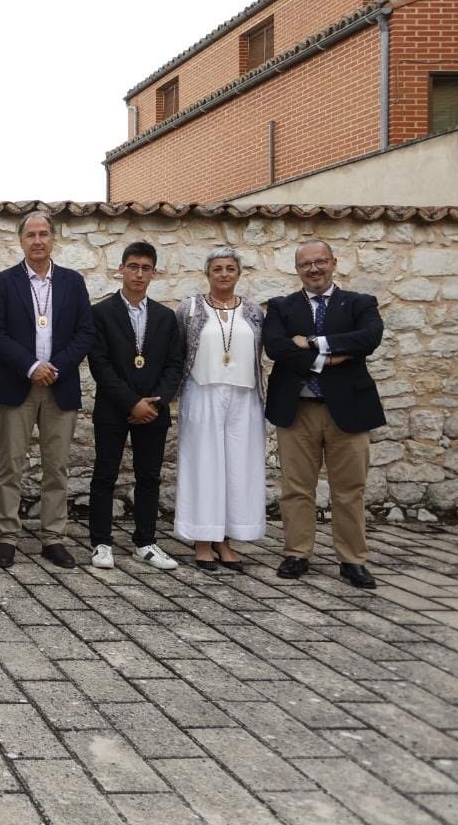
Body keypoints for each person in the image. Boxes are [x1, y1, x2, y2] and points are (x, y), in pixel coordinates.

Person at [263, 240, 386, 589]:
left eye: (320, 262)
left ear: (334, 263)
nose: (314, 269)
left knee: (349, 489)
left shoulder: (360, 303)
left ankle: (352, 560)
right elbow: (277, 347)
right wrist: (329, 358)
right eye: (306, 264)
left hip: (348, 409)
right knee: (296, 487)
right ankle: (297, 552)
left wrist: (314, 342)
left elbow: (368, 339)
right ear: (297, 269)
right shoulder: (281, 307)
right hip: (297, 409)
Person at [0, 211, 94, 570]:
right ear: (20, 240)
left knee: (57, 466)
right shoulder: (4, 282)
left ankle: (53, 538)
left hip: (60, 385)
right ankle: (6, 537)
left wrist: (54, 367)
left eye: (43, 234)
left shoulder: (73, 282)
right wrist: (32, 366)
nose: (37, 241)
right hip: (18, 383)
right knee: (10, 464)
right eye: (30, 234)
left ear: (53, 239)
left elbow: (85, 332)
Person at [86, 241, 185, 571]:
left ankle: (145, 542)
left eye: (145, 268)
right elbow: (99, 363)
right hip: (114, 407)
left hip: (154, 410)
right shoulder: (100, 313)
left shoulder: (165, 317)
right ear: (121, 269)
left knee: (149, 477)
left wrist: (155, 401)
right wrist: (131, 402)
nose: (138, 273)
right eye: (133, 266)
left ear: (154, 273)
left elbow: (175, 364)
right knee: (105, 474)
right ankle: (101, 542)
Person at [173, 247, 267, 570]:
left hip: (244, 395)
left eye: (230, 268)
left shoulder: (253, 312)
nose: (224, 274)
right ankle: (202, 540)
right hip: (203, 393)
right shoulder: (190, 309)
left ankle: (225, 539)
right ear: (207, 273)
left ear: (239, 273)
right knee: (204, 466)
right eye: (217, 269)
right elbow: (179, 352)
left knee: (238, 468)